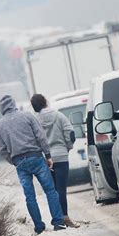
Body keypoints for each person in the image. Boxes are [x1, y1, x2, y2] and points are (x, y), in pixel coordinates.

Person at [0, 95, 66, 234]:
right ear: (13, 103)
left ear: (1, 108)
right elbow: (41, 136)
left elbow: (1, 150)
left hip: (20, 162)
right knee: (50, 190)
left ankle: (39, 226)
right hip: (36, 158)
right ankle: (58, 222)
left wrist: (13, 161)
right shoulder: (27, 116)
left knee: (30, 196)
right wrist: (48, 155)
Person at [30, 94, 81, 228]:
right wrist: (67, 148)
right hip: (61, 156)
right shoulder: (59, 116)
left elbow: (35, 140)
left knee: (52, 190)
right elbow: (70, 133)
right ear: (45, 101)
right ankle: (65, 217)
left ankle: (58, 219)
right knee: (62, 189)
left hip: (46, 159)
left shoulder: (35, 120)